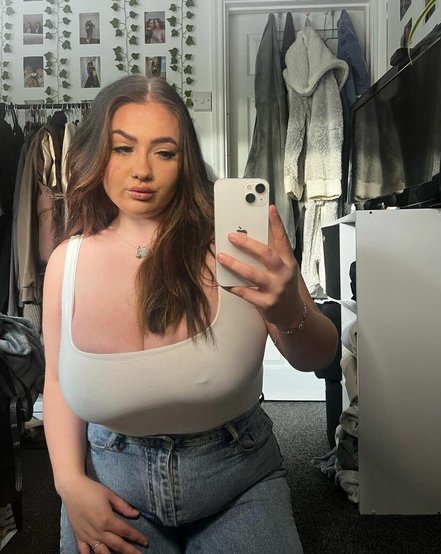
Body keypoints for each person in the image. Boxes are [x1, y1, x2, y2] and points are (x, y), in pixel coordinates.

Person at [42, 75, 338, 554]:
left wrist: (289, 310)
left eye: (164, 152)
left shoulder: (237, 246)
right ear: (97, 153)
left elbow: (319, 357)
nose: (142, 170)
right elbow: (57, 382)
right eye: (123, 148)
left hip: (238, 482)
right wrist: (69, 484)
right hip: (111, 485)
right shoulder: (66, 263)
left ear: (186, 162)